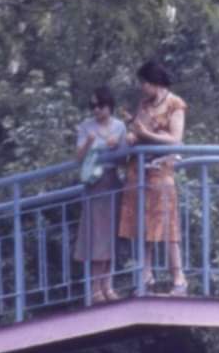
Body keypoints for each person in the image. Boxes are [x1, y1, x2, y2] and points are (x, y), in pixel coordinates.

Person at [118, 59, 188, 295]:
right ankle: (145, 276)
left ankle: (178, 278)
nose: (142, 88)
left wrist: (147, 134)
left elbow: (176, 139)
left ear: (155, 83)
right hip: (139, 170)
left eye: (144, 83)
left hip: (161, 170)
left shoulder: (175, 104)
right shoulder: (145, 104)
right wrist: (131, 136)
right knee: (142, 225)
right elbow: (138, 131)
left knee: (168, 224)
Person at [74, 85, 128, 302]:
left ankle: (108, 285)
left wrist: (117, 148)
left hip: (112, 181)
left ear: (109, 106)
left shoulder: (119, 126)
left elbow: (125, 159)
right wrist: (89, 141)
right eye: (92, 106)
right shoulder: (86, 127)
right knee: (97, 235)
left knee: (111, 235)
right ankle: (95, 287)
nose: (96, 110)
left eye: (100, 106)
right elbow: (78, 158)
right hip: (94, 184)